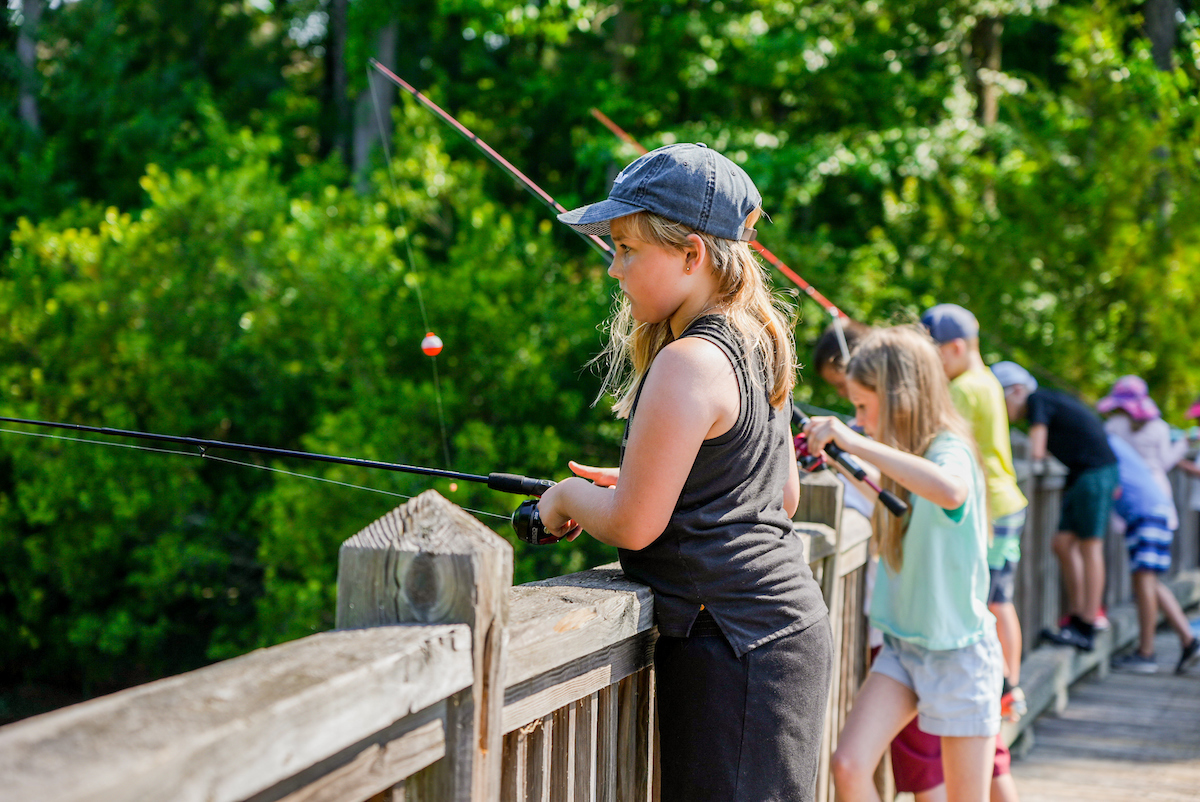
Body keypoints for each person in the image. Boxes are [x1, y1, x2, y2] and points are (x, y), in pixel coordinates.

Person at [540, 143, 833, 801]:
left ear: (692, 254)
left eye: (626, 248)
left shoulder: (689, 360)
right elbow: (779, 495)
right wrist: (659, 480)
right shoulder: (757, 342)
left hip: (733, 644)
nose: (613, 268)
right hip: (775, 633)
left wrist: (566, 497)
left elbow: (634, 527)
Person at [807, 325, 1003, 802]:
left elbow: (949, 490)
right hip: (903, 647)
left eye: (863, 406)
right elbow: (896, 500)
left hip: (958, 654)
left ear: (900, 398)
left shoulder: (949, 449)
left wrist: (854, 443)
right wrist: (840, 457)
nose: (858, 420)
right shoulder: (905, 458)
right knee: (848, 766)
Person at [922, 304, 1029, 725]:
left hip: (993, 508)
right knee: (1001, 598)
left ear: (956, 348)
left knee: (993, 600)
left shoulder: (965, 388)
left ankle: (1006, 689)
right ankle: (1010, 688)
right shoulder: (987, 381)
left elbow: (940, 439)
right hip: (1006, 501)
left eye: (935, 354)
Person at [991, 361, 1119, 652]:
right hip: (1083, 475)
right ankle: (1077, 616)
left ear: (1017, 390)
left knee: (1090, 546)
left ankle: (1088, 623)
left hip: (1094, 473)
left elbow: (1036, 451)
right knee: (1062, 544)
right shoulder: (1046, 401)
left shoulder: (1038, 400)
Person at [1105, 434, 1200, 674]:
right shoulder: (1112, 441)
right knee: (1149, 581)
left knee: (1144, 579)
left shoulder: (1103, 443)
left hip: (1146, 513)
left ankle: (1146, 653)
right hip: (1153, 510)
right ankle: (1188, 640)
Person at [1097, 375, 1189, 532]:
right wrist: (1183, 443)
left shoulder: (1112, 426)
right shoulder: (1159, 426)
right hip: (1155, 486)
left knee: (1128, 536)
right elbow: (1165, 463)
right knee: (1156, 535)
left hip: (1124, 487)